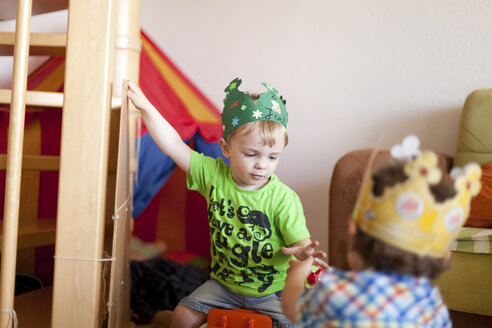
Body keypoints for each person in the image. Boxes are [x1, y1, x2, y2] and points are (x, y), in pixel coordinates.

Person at [128, 77, 328, 328]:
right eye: (251, 154)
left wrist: (304, 252)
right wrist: (146, 107)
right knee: (181, 316)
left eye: (272, 157)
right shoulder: (213, 176)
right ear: (226, 148)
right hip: (223, 286)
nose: (261, 164)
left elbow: (301, 243)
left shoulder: (283, 198)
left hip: (270, 292)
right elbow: (173, 145)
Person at [281, 136, 482, 327]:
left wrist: (297, 274)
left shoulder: (337, 292)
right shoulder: (432, 304)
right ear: (445, 258)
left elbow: (292, 307)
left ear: (353, 240)